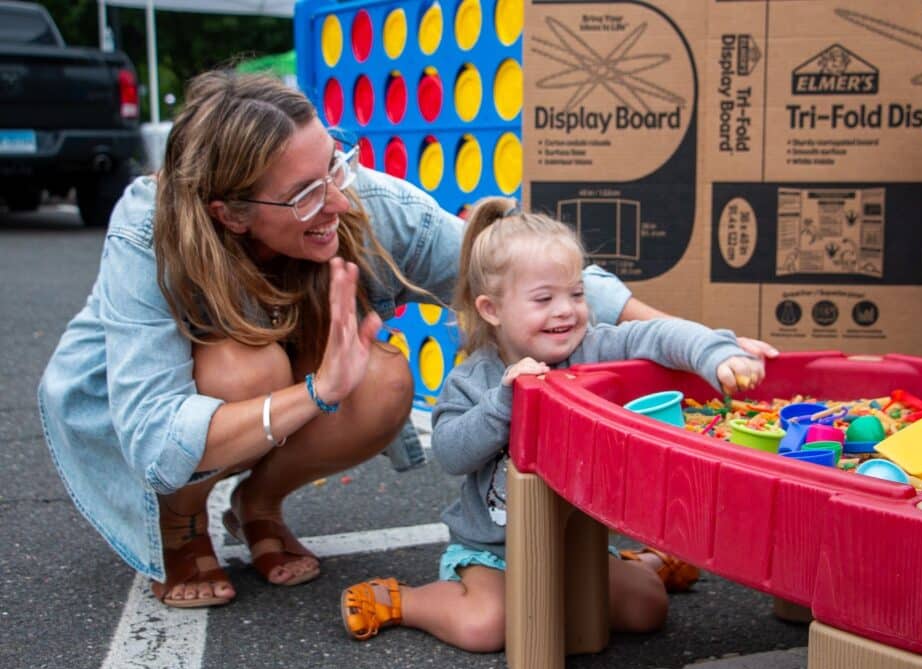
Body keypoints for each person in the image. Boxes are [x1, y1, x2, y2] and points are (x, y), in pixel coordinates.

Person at [37, 70, 774, 609]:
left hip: (281, 388)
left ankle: (259, 503)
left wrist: (699, 341)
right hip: (171, 407)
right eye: (301, 194)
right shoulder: (150, 233)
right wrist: (318, 390)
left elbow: (506, 260)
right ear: (229, 214)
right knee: (245, 364)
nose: (333, 198)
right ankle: (181, 520)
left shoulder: (359, 200)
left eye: (331, 163)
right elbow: (151, 438)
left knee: (386, 381)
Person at [339, 197, 766, 651]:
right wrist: (505, 402)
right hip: (495, 552)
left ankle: (641, 564)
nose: (566, 310)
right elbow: (448, 452)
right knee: (485, 627)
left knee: (647, 610)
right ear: (491, 309)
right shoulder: (475, 378)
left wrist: (715, 353)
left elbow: (657, 335)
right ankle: (406, 599)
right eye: (544, 299)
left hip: (577, 546)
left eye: (577, 294)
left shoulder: (594, 349)